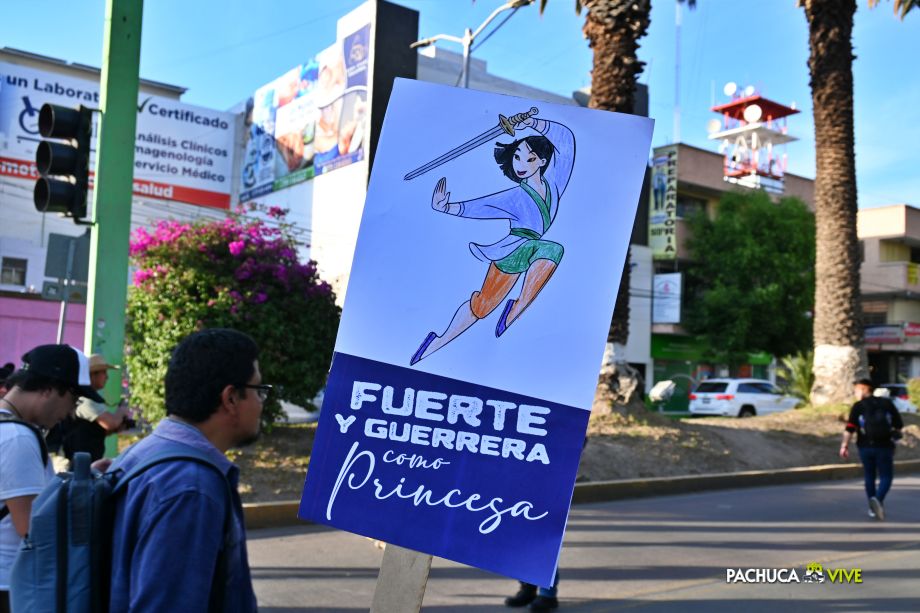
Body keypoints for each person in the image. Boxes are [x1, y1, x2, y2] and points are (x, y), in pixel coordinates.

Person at [108, 328, 267, 612]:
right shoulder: (192, 488)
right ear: (230, 398)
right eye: (259, 390)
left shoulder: (142, 453)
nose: (261, 403)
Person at [410, 113, 575, 365]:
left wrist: (534, 123)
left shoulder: (555, 183)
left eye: (529, 158)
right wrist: (446, 207)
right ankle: (437, 343)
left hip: (530, 249)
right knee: (482, 306)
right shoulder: (514, 197)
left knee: (552, 249)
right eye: (517, 157)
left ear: (541, 161)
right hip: (510, 252)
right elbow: (482, 207)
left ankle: (516, 308)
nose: (521, 163)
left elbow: (565, 141)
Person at [0, 344, 104, 613]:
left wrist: (85, 476)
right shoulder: (18, 438)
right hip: (10, 588)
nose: (70, 412)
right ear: (48, 389)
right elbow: (33, 530)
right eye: (74, 399)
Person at [839, 378, 903, 520]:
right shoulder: (887, 404)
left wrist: (844, 445)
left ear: (864, 389)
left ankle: (872, 507)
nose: (855, 393)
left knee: (869, 476)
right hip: (885, 446)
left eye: (856, 389)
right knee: (886, 476)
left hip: (865, 446)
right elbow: (898, 425)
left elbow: (850, 428)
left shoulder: (858, 406)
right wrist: (894, 439)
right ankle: (878, 500)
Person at [59, 354, 132, 465]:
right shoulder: (86, 399)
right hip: (78, 464)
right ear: (92, 375)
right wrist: (121, 412)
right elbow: (110, 423)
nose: (107, 377)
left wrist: (118, 426)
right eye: (104, 372)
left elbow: (93, 431)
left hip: (84, 461)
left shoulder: (88, 397)